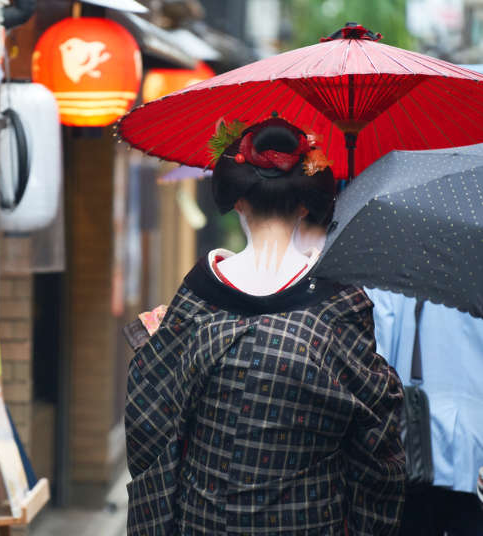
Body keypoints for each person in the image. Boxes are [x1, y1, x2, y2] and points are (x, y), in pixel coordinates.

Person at [124, 117, 406, 535]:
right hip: (309, 521)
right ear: (307, 203)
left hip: (201, 521)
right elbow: (378, 451)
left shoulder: (197, 296)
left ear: (237, 200)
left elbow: (149, 427)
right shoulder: (340, 304)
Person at [365, 290, 483, 536]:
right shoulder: (474, 268)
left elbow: (379, 362)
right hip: (475, 445)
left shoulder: (399, 269)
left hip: (415, 441)